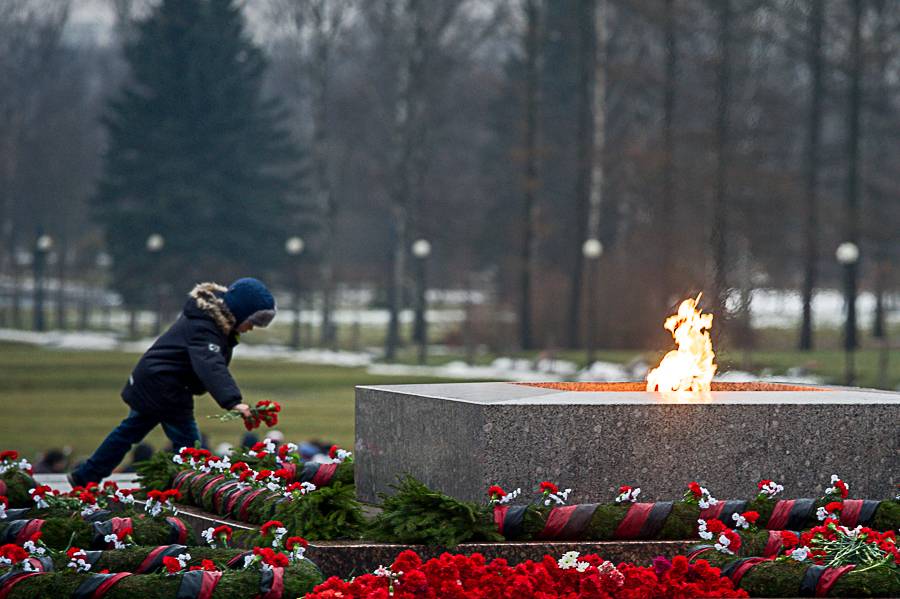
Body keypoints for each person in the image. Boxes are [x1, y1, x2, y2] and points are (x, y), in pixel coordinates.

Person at [68, 278, 276, 487]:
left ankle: (86, 476)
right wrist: (233, 401)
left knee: (128, 432)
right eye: (252, 322)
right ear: (239, 312)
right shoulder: (206, 327)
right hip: (165, 386)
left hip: (155, 381)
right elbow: (211, 366)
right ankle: (192, 487)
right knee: (190, 446)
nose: (251, 328)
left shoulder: (212, 322)